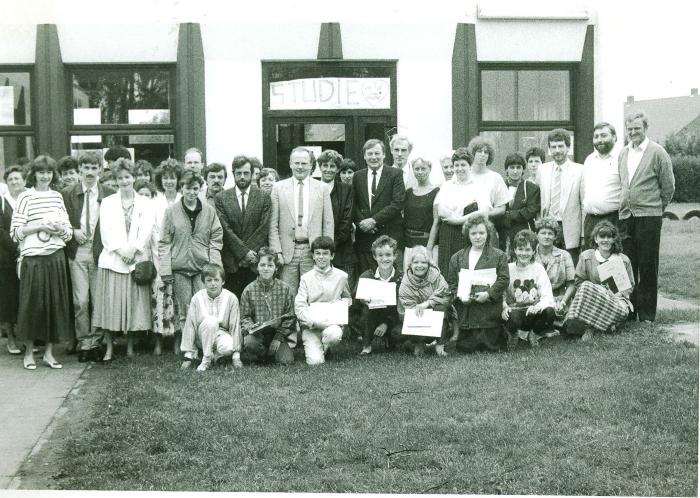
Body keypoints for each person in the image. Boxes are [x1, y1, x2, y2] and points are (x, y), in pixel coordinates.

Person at [10, 155, 73, 370]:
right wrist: (40, 227)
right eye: (40, 172)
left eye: (48, 172)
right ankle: (28, 353)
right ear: (34, 174)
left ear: (52, 174)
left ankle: (48, 353)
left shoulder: (57, 197)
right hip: (33, 259)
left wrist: (59, 229)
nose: (45, 176)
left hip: (55, 257)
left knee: (54, 306)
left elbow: (68, 233)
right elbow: (15, 233)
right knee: (32, 305)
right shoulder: (25, 197)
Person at [93, 158, 157, 362]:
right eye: (119, 178)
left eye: (127, 177)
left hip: (135, 259)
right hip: (113, 260)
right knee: (111, 307)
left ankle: (129, 345)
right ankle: (110, 347)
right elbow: (105, 233)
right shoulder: (108, 202)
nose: (124, 181)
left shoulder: (145, 203)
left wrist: (133, 249)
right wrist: (122, 251)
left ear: (134, 177)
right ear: (115, 179)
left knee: (131, 305)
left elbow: (146, 230)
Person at [618, 111, 675, 323]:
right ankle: (629, 311)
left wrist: (656, 208)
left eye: (637, 129)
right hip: (626, 216)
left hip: (649, 216)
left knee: (647, 265)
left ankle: (647, 315)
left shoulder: (658, 152)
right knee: (627, 264)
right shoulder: (623, 153)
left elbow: (668, 186)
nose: (633, 132)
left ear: (645, 128)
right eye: (630, 129)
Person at [62, 151, 115, 363]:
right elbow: (60, 219)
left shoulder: (109, 193)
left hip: (99, 252)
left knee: (98, 300)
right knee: (81, 300)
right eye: (86, 168)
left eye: (94, 168)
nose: (90, 172)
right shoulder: (68, 193)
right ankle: (84, 342)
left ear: (101, 170)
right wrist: (73, 231)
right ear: (80, 170)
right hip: (77, 251)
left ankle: (95, 342)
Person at [159, 170, 223, 339]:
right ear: (182, 188)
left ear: (200, 189)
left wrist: (214, 265)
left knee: (204, 307)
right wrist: (166, 270)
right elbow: (164, 242)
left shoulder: (209, 211)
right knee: (185, 309)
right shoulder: (171, 212)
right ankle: (189, 348)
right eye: (188, 188)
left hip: (203, 268)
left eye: (195, 189)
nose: (192, 192)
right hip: (180, 268)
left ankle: (204, 344)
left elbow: (216, 238)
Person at [270, 147, 334, 295]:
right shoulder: (278, 188)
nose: (300, 167)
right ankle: (290, 319)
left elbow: (328, 223)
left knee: (313, 292)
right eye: (296, 162)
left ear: (311, 165)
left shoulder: (322, 188)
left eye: (304, 163)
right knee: (287, 293)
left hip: (313, 250)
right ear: (290, 163)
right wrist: (277, 251)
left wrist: (325, 252)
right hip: (287, 252)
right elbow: (272, 224)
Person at [447, 213, 509, 352]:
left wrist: (488, 294)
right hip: (467, 312)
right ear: (467, 234)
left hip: (488, 311)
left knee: (488, 347)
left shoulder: (499, 256)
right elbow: (452, 284)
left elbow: (503, 279)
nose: (478, 236)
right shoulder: (456, 258)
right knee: (466, 348)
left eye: (481, 232)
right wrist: (461, 296)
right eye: (473, 233)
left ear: (488, 233)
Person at [565, 221, 634, 340]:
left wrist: (612, 294)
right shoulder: (586, 256)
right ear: (596, 239)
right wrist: (597, 289)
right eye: (602, 236)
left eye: (609, 237)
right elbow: (579, 282)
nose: (606, 240)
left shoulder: (623, 260)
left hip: (615, 299)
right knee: (586, 286)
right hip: (593, 298)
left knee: (623, 310)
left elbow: (629, 287)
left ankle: (593, 327)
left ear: (614, 239)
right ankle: (602, 326)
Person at [428, 147, 490, 276]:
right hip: (448, 236)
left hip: (468, 235)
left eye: (463, 165)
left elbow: (483, 213)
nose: (459, 168)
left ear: (470, 165)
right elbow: (441, 211)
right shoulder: (447, 186)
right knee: (448, 272)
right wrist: (468, 216)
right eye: (456, 165)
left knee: (467, 271)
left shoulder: (479, 186)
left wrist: (457, 220)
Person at [216, 156, 271, 298]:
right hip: (232, 263)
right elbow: (225, 229)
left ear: (252, 174)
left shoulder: (263, 197)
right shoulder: (221, 197)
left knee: (255, 306)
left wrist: (248, 253)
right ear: (233, 173)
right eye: (238, 173)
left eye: (246, 173)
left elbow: (263, 228)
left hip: (255, 261)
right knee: (232, 304)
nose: (242, 177)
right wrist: (243, 253)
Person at [294, 236, 351, 365]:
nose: (321, 257)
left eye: (325, 254)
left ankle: (327, 347)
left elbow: (347, 297)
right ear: (313, 256)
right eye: (318, 253)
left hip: (332, 324)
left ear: (332, 256)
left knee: (334, 334)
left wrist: (345, 305)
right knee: (315, 362)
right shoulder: (306, 278)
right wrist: (313, 322)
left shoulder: (342, 276)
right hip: (312, 326)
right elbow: (299, 307)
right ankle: (317, 347)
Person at [353, 139, 405, 273]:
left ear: (384, 155)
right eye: (369, 154)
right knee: (367, 280)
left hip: (389, 237)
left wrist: (374, 220)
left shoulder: (395, 174)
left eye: (377, 153)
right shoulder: (357, 176)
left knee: (390, 279)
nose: (374, 157)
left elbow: (397, 203)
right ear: (364, 156)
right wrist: (363, 223)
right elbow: (353, 204)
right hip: (365, 238)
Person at [180, 263, 242, 371]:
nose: (213, 284)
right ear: (203, 282)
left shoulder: (231, 298)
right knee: (211, 321)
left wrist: (236, 356)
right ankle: (206, 360)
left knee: (228, 347)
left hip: (221, 333)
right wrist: (188, 355)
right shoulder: (197, 298)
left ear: (223, 281)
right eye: (209, 280)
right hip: (202, 335)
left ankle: (216, 356)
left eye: (216, 280)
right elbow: (190, 325)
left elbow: (235, 326)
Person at [240, 247, 296, 365]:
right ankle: (262, 355)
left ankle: (273, 353)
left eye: (270, 266)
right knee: (250, 343)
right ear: (257, 267)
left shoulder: (285, 289)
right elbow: (244, 317)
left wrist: (278, 338)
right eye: (263, 265)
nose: (266, 269)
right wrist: (251, 326)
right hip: (257, 334)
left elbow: (290, 317)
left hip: (277, 332)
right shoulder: (249, 290)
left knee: (287, 361)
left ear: (276, 268)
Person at [501, 230, 555, 347]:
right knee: (512, 316)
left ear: (534, 251)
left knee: (549, 311)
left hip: (533, 311)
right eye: (520, 249)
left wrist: (538, 307)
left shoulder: (538, 269)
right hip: (515, 311)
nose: (524, 253)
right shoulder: (508, 268)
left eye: (527, 250)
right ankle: (513, 334)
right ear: (514, 250)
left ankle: (534, 333)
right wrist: (504, 306)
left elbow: (547, 295)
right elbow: (501, 293)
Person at [538, 128, 584, 265]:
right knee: (547, 265)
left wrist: (582, 235)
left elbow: (583, 205)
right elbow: (539, 200)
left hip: (570, 229)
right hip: (548, 225)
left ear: (568, 147)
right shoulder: (543, 170)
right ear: (549, 149)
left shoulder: (580, 170)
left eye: (560, 146)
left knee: (570, 266)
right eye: (553, 147)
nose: (557, 150)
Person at [398, 245, 454, 357]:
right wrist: (419, 309)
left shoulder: (437, 276)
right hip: (417, 317)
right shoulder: (405, 283)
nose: (420, 266)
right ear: (410, 265)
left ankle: (440, 344)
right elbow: (406, 308)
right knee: (397, 331)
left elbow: (446, 296)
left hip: (438, 316)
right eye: (416, 262)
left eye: (423, 262)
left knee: (441, 308)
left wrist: (427, 304)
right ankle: (418, 342)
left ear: (429, 264)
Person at [151, 159, 182, 351]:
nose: (169, 181)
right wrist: (162, 257)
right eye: (165, 178)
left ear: (178, 180)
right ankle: (158, 340)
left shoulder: (183, 200)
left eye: (172, 178)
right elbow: (153, 232)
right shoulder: (154, 203)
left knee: (177, 298)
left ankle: (178, 339)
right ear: (160, 180)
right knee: (159, 298)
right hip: (159, 255)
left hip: (178, 255)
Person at [355, 235, 403, 355]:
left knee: (397, 334)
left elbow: (402, 306)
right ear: (374, 257)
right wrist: (361, 299)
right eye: (380, 255)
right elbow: (355, 302)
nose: (384, 259)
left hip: (392, 317)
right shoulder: (366, 276)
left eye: (388, 255)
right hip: (371, 316)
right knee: (366, 311)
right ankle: (366, 344)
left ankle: (389, 338)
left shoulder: (401, 278)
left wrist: (386, 323)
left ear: (395, 256)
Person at [318, 149, 355, 288]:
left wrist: (331, 244)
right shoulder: (313, 187)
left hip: (342, 251)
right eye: (325, 165)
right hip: (317, 252)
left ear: (338, 169)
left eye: (332, 166)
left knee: (344, 293)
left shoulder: (346, 189)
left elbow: (347, 219)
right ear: (319, 167)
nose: (328, 169)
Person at [467, 136, 511, 246]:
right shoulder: (464, 175)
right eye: (479, 151)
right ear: (473, 153)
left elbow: (502, 208)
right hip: (464, 225)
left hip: (486, 226)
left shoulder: (495, 177)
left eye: (486, 152)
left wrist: (485, 213)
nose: (482, 155)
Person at [582, 122, 621, 246]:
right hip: (590, 220)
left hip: (613, 219)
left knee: (612, 260)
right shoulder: (589, 160)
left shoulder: (621, 158)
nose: (600, 140)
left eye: (604, 135)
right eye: (596, 136)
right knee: (590, 259)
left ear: (614, 137)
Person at [495, 152, 540, 256]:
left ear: (523, 169)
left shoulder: (532, 188)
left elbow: (529, 211)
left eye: (518, 167)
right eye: (512, 167)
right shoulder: (498, 187)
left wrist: (506, 214)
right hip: (502, 234)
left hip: (524, 232)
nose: (515, 171)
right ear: (506, 170)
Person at [534, 217, 576, 329]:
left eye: (550, 233)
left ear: (555, 236)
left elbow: (571, 284)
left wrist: (563, 302)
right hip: (537, 299)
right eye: (543, 233)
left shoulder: (564, 255)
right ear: (536, 235)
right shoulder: (530, 255)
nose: (546, 236)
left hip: (560, 298)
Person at [403, 158, 439, 269]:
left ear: (430, 169)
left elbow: (436, 221)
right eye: (417, 169)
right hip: (409, 243)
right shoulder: (408, 192)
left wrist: (429, 247)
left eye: (423, 168)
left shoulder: (436, 191)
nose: (420, 172)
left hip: (427, 243)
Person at [0, 186, 20, 354]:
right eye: (11, 179)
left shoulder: (28, 197)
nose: (14, 182)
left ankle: (26, 339)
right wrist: (16, 247)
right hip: (6, 257)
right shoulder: (1, 200)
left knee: (23, 298)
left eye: (17, 178)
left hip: (27, 255)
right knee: (7, 299)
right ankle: (11, 339)